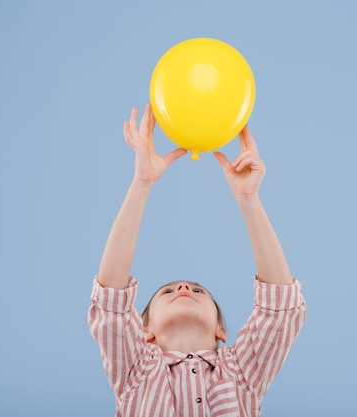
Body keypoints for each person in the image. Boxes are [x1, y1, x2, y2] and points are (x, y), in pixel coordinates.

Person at [88, 104, 306, 417]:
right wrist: (142, 183)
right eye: (167, 291)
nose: (183, 287)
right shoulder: (135, 368)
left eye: (198, 290)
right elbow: (111, 297)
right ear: (143, 331)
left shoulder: (243, 371)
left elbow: (279, 309)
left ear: (221, 330)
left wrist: (249, 199)